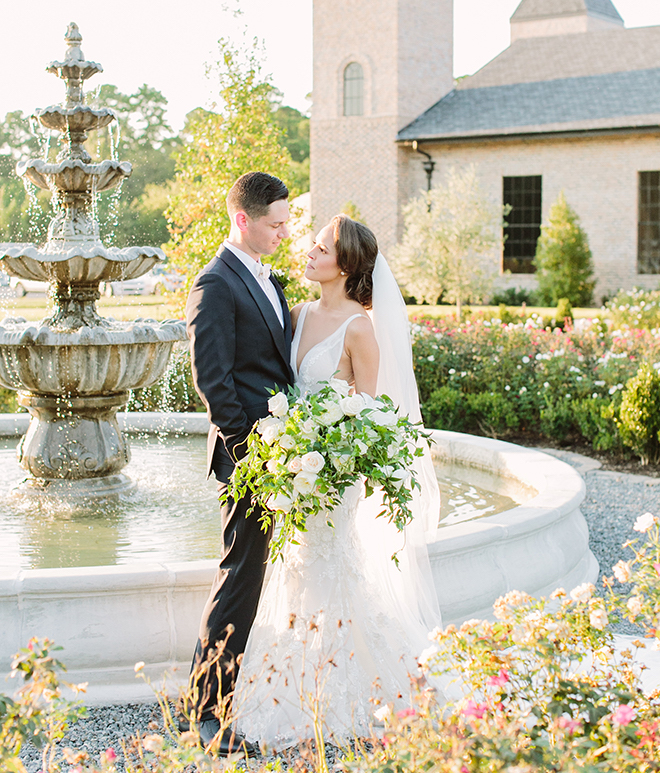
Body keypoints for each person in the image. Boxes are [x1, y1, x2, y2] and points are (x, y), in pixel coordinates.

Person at [232, 214, 443, 749]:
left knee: (332, 572)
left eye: (320, 247)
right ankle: (294, 687)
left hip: (334, 477)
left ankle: (350, 691)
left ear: (345, 264)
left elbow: (370, 416)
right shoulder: (297, 314)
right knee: (295, 575)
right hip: (293, 472)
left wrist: (326, 454)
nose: (308, 251)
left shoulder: (361, 328)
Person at [185, 171, 293, 755]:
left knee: (250, 577)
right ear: (243, 219)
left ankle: (219, 698)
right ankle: (207, 714)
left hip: (280, 456)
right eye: (275, 224)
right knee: (240, 577)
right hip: (247, 459)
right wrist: (251, 455)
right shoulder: (216, 283)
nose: (284, 233)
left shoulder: (265, 280)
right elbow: (214, 382)